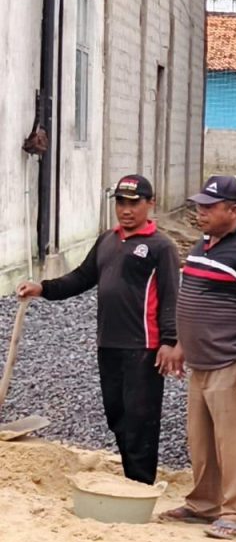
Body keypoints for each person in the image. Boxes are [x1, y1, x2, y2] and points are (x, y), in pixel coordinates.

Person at [16, 174, 180, 484]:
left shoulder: (161, 247)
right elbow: (81, 277)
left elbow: (172, 296)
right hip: (109, 343)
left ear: (150, 204)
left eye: (134, 203)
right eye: (121, 202)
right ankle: (130, 478)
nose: (126, 210)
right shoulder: (107, 240)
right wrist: (42, 288)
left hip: (143, 347)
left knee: (140, 419)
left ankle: (141, 484)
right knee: (116, 414)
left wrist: (170, 341)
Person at [160, 175, 236, 540]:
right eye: (199, 205)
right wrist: (181, 344)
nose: (200, 212)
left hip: (232, 360)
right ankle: (203, 503)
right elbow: (192, 294)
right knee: (202, 439)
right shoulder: (204, 243)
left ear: (234, 210)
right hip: (201, 361)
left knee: (234, 440)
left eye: (209, 207)